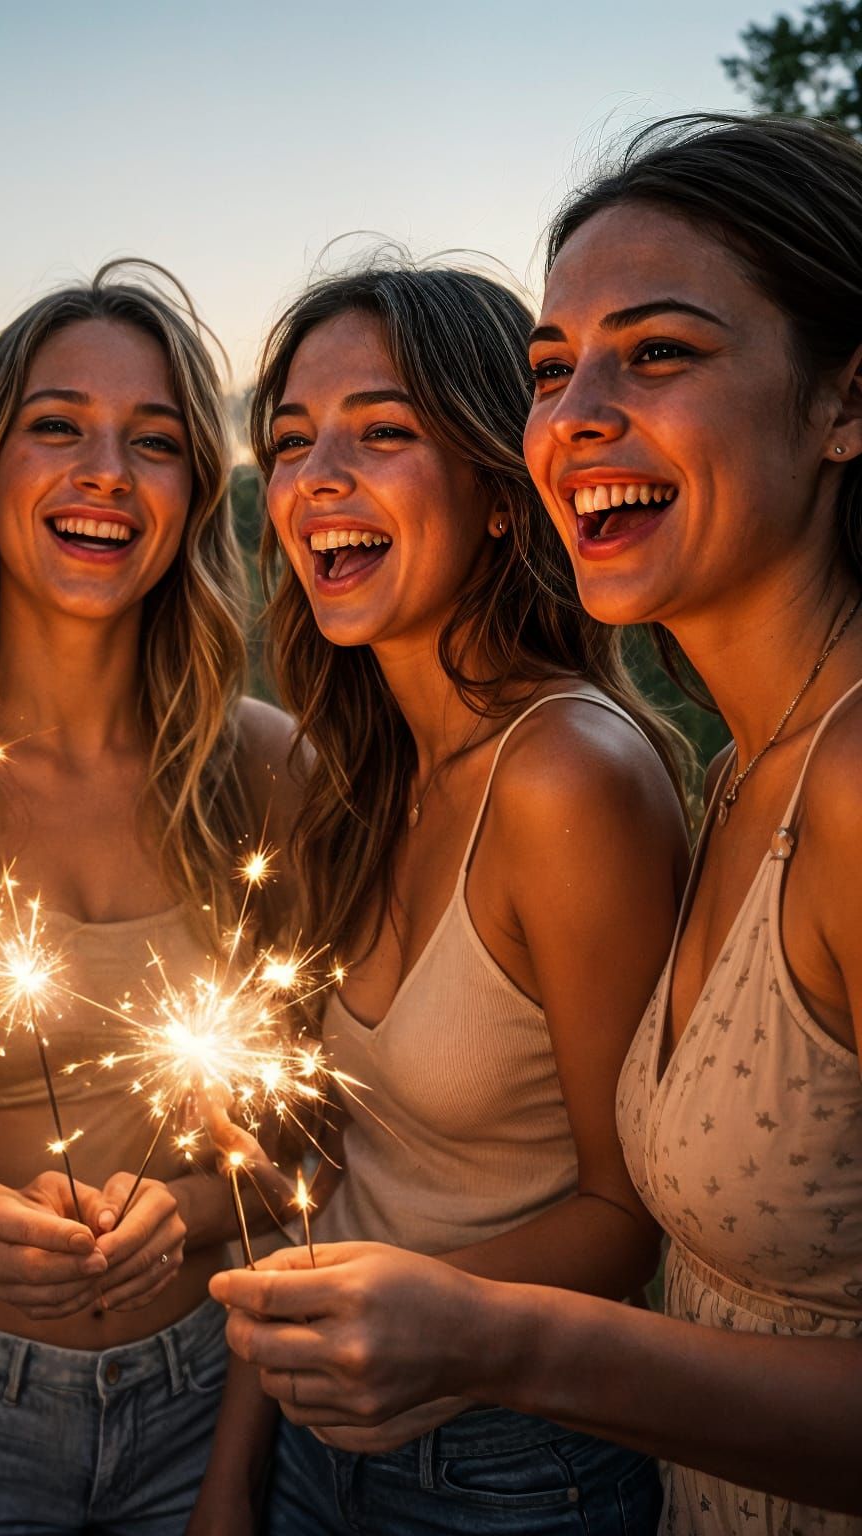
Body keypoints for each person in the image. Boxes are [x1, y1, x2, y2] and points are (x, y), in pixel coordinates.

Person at [213, 116, 862, 1534]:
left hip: (516, 1477)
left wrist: (476, 1333)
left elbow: (621, 1216)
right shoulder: (738, 774)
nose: (578, 413)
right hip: (360, 1446)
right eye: (553, 370)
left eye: (660, 352)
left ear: (843, 402)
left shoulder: (616, 776)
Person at [195, 261, 688, 1535]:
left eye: (382, 433)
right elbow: (327, 1177)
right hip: (314, 1444)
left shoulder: (568, 777)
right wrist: (232, 1475)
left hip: (516, 1468)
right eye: (290, 442)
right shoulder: (351, 780)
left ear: (501, 495)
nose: (316, 480)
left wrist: (411, 1313)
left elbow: (628, 1221)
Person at [0, 263, 299, 1535]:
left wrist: (188, 1213)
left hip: (205, 1399)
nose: (106, 474)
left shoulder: (262, 772)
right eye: (57, 427)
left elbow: (317, 1152)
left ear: (196, 490)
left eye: (155, 441)